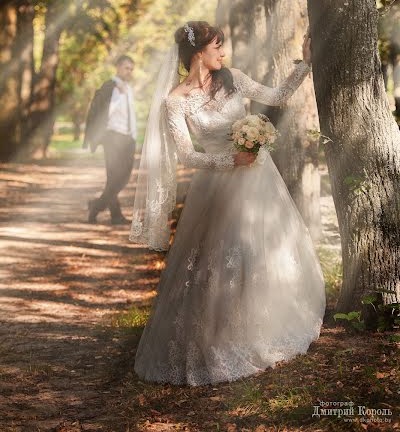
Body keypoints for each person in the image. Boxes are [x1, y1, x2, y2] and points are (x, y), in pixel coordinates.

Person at [129, 22, 326, 386]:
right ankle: (218, 336)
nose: (223, 53)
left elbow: (279, 95)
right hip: (218, 184)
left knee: (262, 250)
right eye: (218, 47)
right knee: (220, 258)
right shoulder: (174, 101)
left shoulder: (233, 78)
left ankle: (264, 325)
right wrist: (227, 162)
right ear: (197, 52)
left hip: (259, 179)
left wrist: (306, 62)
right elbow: (186, 155)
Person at [83, 55, 137, 225]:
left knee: (123, 178)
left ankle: (97, 205)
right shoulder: (109, 87)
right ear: (118, 67)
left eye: (131, 69)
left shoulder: (128, 88)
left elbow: (131, 114)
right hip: (112, 138)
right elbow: (97, 112)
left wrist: (133, 135)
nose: (129, 72)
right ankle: (115, 215)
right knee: (115, 178)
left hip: (128, 139)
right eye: (126, 68)